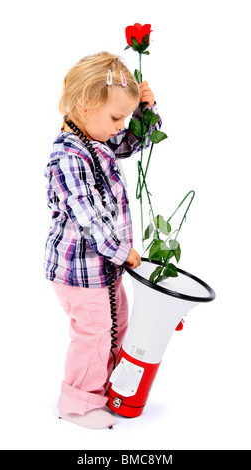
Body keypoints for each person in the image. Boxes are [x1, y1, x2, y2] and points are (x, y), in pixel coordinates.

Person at [44, 52, 161, 429]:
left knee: (116, 323)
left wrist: (146, 111)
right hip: (80, 271)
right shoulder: (68, 154)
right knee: (95, 331)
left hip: (102, 268)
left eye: (124, 118)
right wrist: (120, 251)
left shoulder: (97, 140)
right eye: (116, 118)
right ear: (85, 104)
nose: (119, 127)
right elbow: (87, 217)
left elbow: (131, 143)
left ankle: (98, 390)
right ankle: (76, 403)